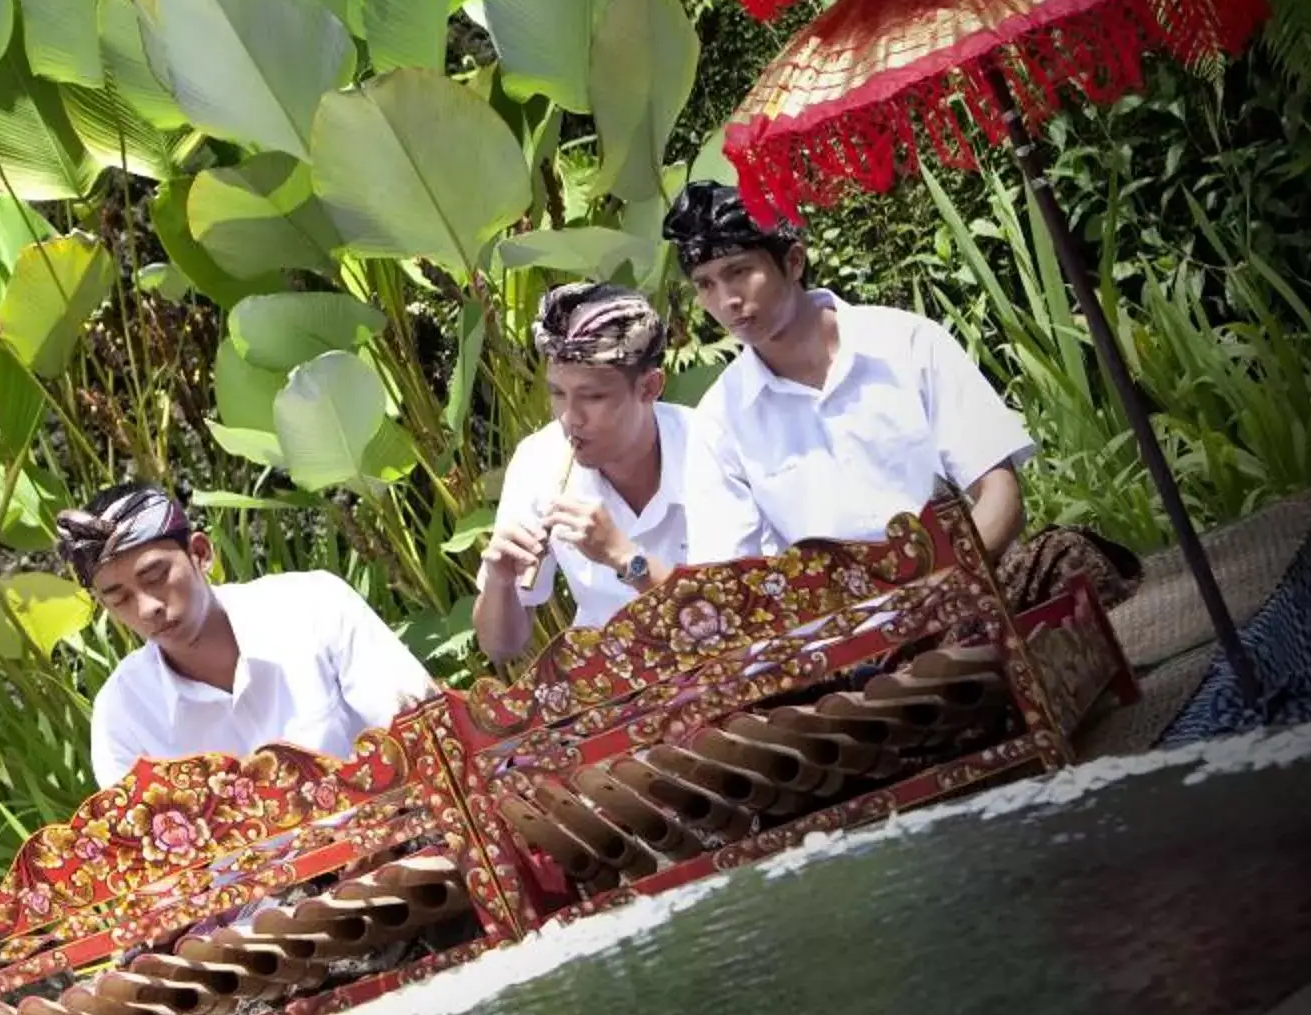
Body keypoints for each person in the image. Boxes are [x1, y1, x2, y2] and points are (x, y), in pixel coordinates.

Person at [663, 181, 1032, 565]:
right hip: (842, 621)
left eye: (738, 271)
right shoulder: (720, 419)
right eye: (705, 284)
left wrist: (942, 588)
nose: (726, 301)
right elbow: (730, 572)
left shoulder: (907, 344)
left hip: (969, 584)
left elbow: (1001, 495)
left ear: (793, 262)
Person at [65, 482, 436, 789]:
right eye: (119, 598)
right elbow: (147, 860)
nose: (147, 608)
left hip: (395, 847)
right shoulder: (123, 712)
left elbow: (422, 734)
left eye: (156, 576)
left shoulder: (315, 606)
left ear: (200, 553)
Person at [475, 282, 696, 666]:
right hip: (611, 685)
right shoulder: (538, 461)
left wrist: (626, 558)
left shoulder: (709, 448)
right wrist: (500, 583)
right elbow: (501, 648)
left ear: (650, 387)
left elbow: (731, 618)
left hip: (726, 680)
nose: (568, 418)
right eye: (558, 394)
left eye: (592, 397)